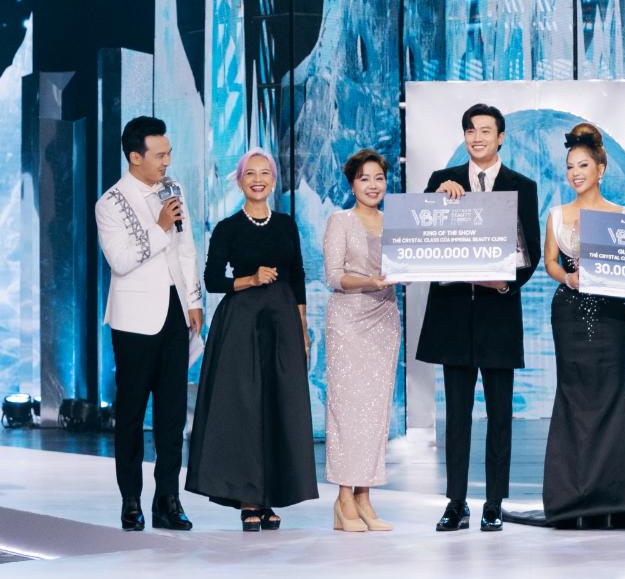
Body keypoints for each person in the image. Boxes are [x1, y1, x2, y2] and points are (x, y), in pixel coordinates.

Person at [417, 103, 541, 533]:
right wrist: (437, 200)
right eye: (471, 130)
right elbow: (422, 234)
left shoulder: (521, 186)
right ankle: (456, 502)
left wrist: (504, 284)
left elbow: (531, 251)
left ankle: (493, 502)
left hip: (498, 315)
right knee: (456, 417)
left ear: (500, 137)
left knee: (500, 416)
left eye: (485, 130)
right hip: (453, 316)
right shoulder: (441, 180)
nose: (477, 137)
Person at [541, 125, 625, 529]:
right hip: (569, 310)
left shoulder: (623, 217)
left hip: (610, 313)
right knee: (573, 394)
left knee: (609, 392)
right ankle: (573, 494)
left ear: (600, 170)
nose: (575, 173)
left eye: (583, 165)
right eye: (570, 167)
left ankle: (616, 493)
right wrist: (568, 278)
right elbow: (550, 262)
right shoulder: (557, 214)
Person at [185, 148, 318, 531]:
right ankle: (247, 497)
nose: (258, 180)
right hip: (241, 324)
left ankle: (268, 496)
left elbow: (297, 274)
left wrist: (302, 328)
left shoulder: (286, 224)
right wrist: (250, 279)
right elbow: (212, 280)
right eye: (250, 174)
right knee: (244, 409)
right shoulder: (228, 228)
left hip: (282, 322)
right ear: (241, 181)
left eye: (264, 173)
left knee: (278, 406)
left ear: (273, 181)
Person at [95, 115, 201, 531]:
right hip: (134, 320)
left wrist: (193, 300)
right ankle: (130, 500)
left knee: (173, 414)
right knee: (132, 413)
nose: (166, 162)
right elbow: (120, 261)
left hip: (175, 312)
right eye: (159, 155)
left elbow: (186, 248)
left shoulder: (174, 190)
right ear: (135, 157)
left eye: (169, 153)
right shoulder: (111, 202)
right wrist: (158, 228)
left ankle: (168, 500)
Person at [324, 149, 400, 533]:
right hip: (348, 322)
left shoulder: (395, 222)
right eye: (364, 179)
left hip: (384, 320)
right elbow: (333, 276)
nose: (373, 185)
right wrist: (369, 281)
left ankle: (364, 498)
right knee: (347, 411)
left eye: (379, 178)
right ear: (352, 185)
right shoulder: (340, 221)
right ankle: (343, 499)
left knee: (375, 412)